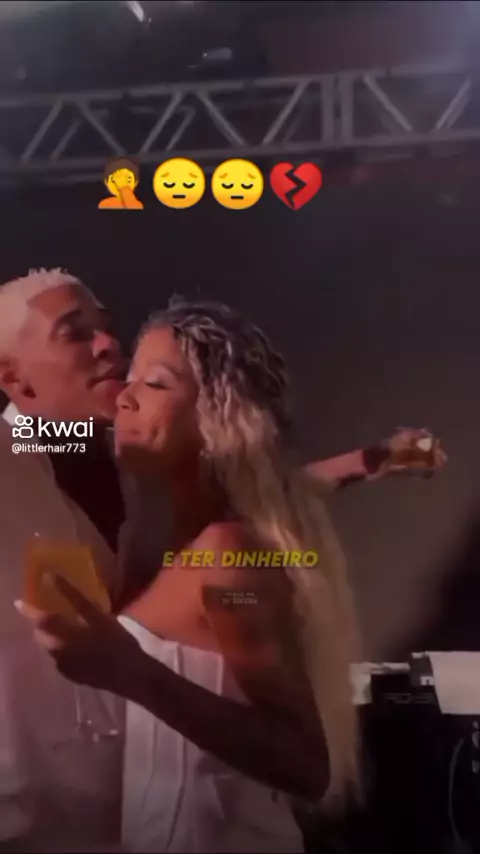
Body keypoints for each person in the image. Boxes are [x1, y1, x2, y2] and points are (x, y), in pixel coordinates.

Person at [0, 269, 446, 850]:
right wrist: (367, 462)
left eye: (151, 381)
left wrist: (132, 671)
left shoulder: (202, 537)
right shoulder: (38, 467)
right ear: (14, 379)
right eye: (74, 332)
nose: (109, 346)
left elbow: (304, 761)